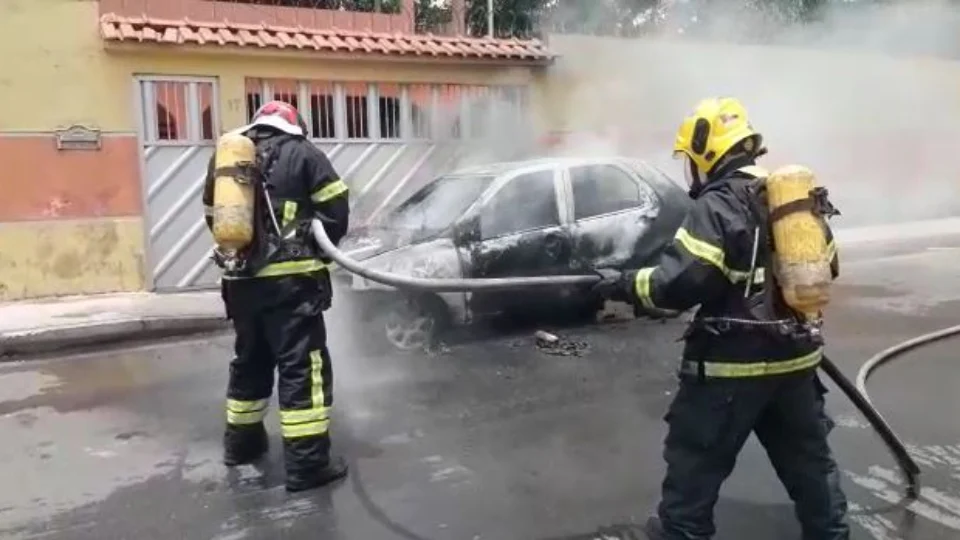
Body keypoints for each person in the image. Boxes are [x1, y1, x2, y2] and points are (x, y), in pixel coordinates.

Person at [593, 97, 850, 539]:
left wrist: (622, 284)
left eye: (690, 161)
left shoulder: (717, 205)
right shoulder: (791, 202)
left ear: (706, 153)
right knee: (812, 470)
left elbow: (676, 286)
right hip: (796, 363)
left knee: (693, 473)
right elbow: (829, 264)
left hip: (729, 371)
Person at [202, 100, 351, 493]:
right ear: (294, 124)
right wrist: (318, 252)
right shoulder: (304, 153)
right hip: (292, 286)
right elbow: (336, 209)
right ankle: (306, 465)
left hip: (240, 283)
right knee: (302, 368)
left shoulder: (228, 157)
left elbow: (213, 214)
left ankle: (241, 446)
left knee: (250, 360)